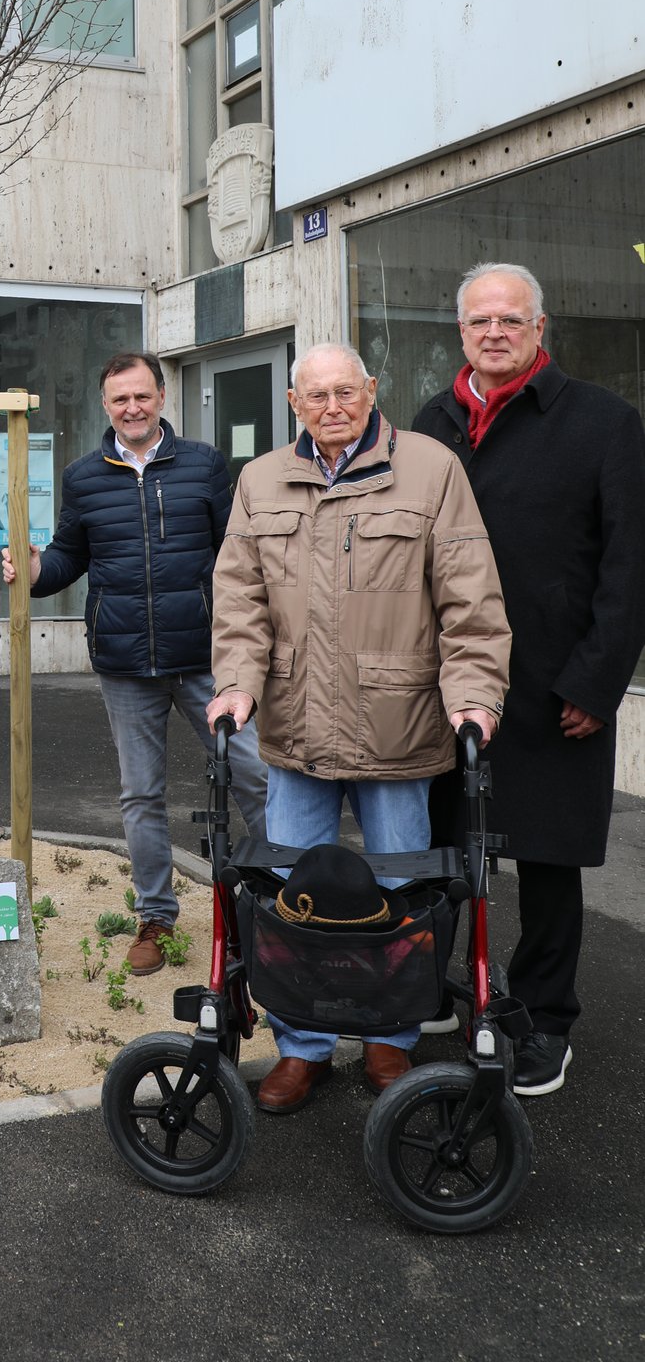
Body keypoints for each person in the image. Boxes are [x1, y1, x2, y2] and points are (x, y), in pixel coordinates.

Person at [208, 342, 509, 1114]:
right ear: (293, 402)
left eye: (346, 391)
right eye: (316, 395)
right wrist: (235, 687)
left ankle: (389, 1040)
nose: (333, 406)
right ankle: (300, 1049)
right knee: (289, 898)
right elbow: (239, 603)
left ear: (371, 391)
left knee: (401, 897)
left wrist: (474, 696)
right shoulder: (261, 479)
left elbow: (468, 600)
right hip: (294, 728)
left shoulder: (430, 469)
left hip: (398, 726)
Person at [414, 261, 645, 1096]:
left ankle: (544, 1020)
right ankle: (432, 992)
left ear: (539, 329)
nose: (494, 333)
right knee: (439, 847)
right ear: (460, 333)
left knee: (545, 861)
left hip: (554, 685)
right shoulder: (428, 425)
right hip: (440, 686)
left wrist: (596, 680)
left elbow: (630, 566)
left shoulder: (603, 424)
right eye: (479, 322)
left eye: (510, 320)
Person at [2, 350, 267, 975]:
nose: (132, 408)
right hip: (125, 663)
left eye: (141, 396)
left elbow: (237, 554)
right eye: (120, 399)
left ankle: (278, 894)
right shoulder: (85, 476)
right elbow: (70, 556)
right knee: (140, 796)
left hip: (208, 662)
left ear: (161, 398)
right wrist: (34, 570)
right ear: (106, 405)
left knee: (256, 776)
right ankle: (156, 917)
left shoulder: (203, 465)